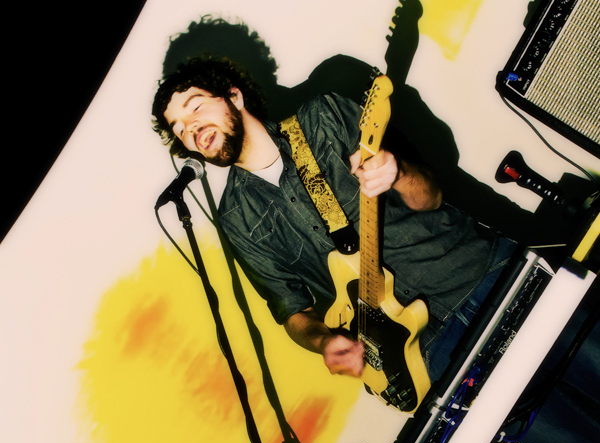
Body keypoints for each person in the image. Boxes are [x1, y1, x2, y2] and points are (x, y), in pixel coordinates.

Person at [151, 57, 516, 385]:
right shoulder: (237, 220)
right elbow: (292, 309)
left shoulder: (322, 119)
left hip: (480, 277)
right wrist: (324, 341)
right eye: (179, 128)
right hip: (425, 352)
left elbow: (431, 196)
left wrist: (399, 173)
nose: (191, 127)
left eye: (196, 107)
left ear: (234, 96)